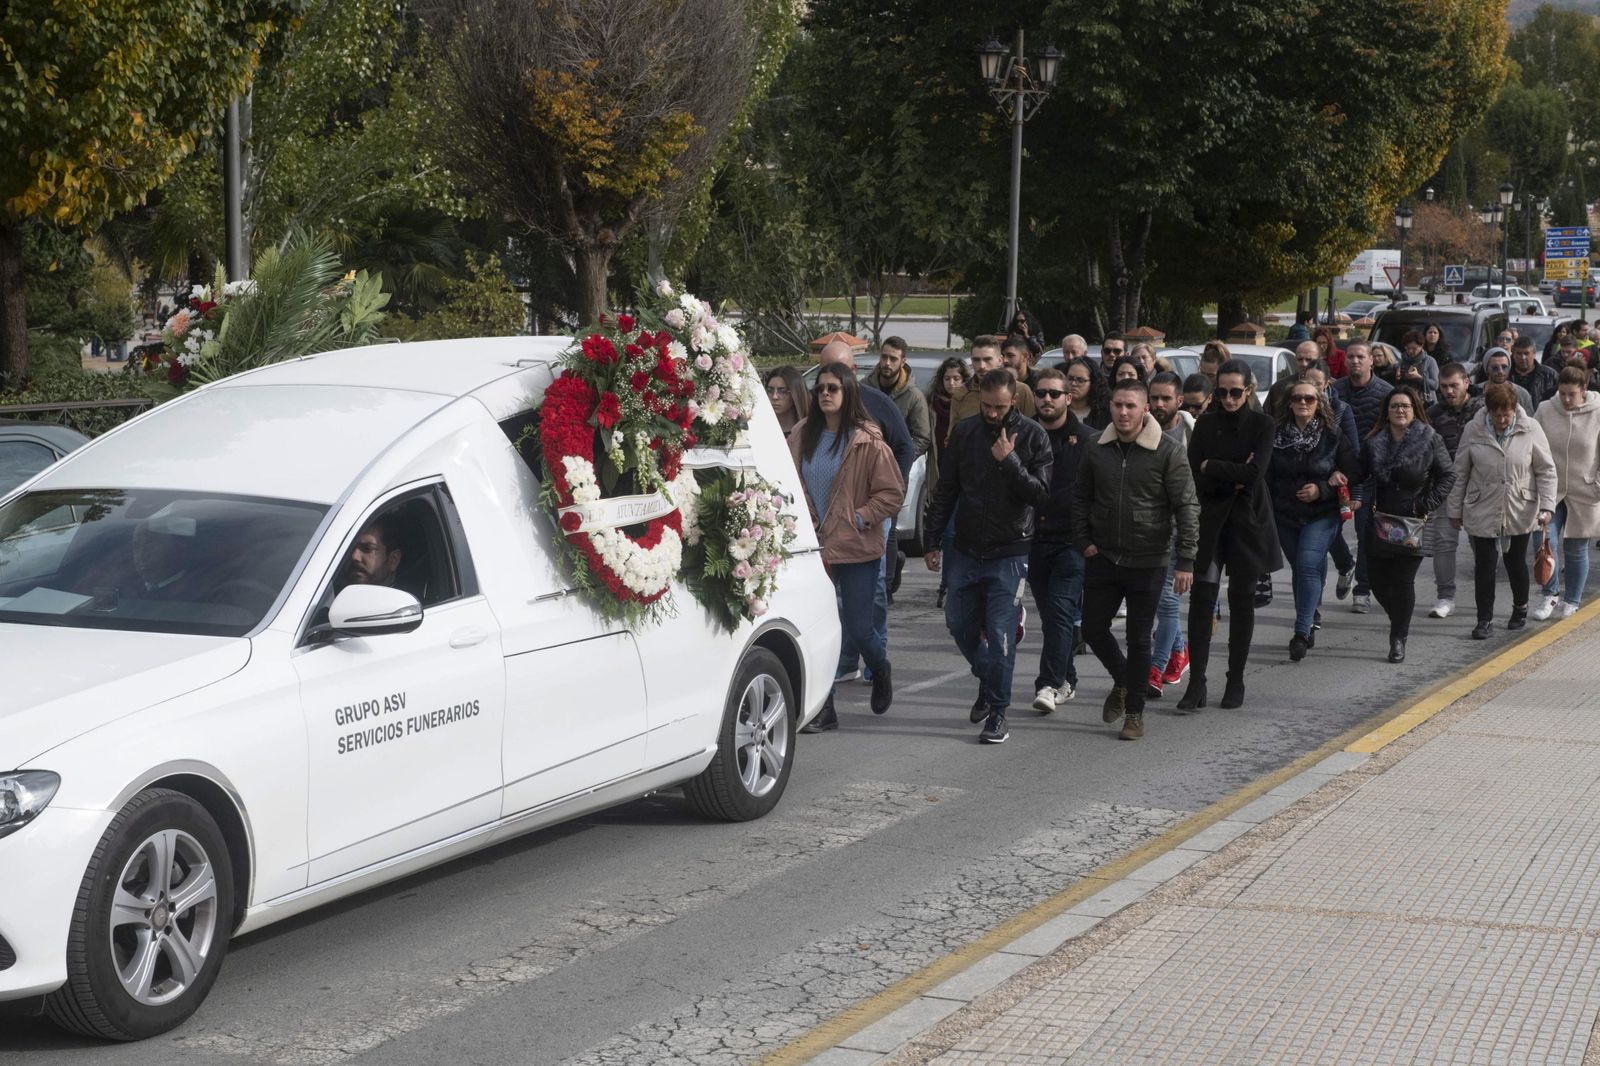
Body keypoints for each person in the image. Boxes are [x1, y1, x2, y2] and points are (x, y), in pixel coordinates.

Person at [924, 367, 1053, 744]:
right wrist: (932, 539)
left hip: (1010, 552)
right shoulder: (964, 433)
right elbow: (946, 490)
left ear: (1013, 399)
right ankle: (988, 678)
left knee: (998, 636)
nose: (992, 413)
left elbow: (1042, 496)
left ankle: (998, 712)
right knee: (958, 623)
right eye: (986, 405)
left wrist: (1010, 461)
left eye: (999, 407)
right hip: (965, 548)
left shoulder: (1033, 435)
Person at [1070, 379, 1199, 741]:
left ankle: (1135, 713)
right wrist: (1084, 540)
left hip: (1149, 558)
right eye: (1118, 405)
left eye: (1131, 406)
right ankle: (1125, 679)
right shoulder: (1095, 447)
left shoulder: (1168, 450)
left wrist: (1186, 559)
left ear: (1145, 409)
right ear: (1110, 406)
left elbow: (1187, 505)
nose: (1123, 412)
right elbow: (1080, 497)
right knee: (1093, 629)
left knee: (1139, 637)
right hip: (1103, 555)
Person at [792, 364, 903, 732]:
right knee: (818, 630)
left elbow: (892, 493)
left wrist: (860, 517)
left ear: (848, 393)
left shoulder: (867, 441)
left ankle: (879, 664)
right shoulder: (801, 435)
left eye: (833, 388)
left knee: (858, 628)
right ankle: (826, 707)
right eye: (820, 388)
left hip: (855, 547)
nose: (825, 394)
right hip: (814, 549)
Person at [1180, 358, 1282, 710]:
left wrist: (1216, 467)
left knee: (1242, 602)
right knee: (1202, 601)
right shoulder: (1206, 425)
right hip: (1210, 521)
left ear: (1248, 390)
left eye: (1235, 392)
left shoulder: (1262, 424)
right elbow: (1195, 473)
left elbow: (1255, 474)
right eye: (1222, 392)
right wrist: (1229, 473)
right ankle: (1196, 683)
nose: (1228, 398)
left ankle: (1235, 679)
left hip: (1248, 522)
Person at [818, 338, 913, 684]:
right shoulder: (813, 417)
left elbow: (904, 447)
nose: (829, 383)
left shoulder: (877, 406)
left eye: (838, 373)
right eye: (824, 373)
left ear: (853, 373)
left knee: (870, 595)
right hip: (826, 524)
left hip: (867, 520)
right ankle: (842, 662)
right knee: (830, 598)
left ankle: (876, 661)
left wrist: (874, 508)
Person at [1447, 382, 1556, 639]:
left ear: (1514, 409)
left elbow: (1546, 470)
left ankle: (1520, 607)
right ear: (1488, 410)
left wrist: (1547, 506)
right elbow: (1460, 472)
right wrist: (1455, 510)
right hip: (1481, 504)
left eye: (1506, 413)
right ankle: (1484, 619)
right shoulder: (1473, 430)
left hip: (1519, 505)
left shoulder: (1530, 428)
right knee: (1484, 564)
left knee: (1515, 562)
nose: (1502, 419)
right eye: (1497, 414)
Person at [1362, 386, 1454, 662]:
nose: (1399, 410)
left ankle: (1398, 637)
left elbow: (1447, 476)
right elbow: (1357, 472)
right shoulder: (1373, 441)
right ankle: (1399, 619)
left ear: (1414, 411)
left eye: (1405, 406)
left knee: (1402, 582)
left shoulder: (1430, 439)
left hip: (1411, 522)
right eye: (1394, 406)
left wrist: (1424, 503)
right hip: (1378, 520)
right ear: (1386, 412)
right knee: (1377, 583)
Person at [1272, 380, 1358, 660]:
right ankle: (1309, 614)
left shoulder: (1332, 435)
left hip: (1322, 513)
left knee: (1308, 565)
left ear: (1319, 403)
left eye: (1309, 398)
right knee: (1302, 568)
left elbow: (1354, 470)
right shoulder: (1275, 435)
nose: (1303, 403)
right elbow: (1265, 475)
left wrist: (1324, 487)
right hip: (1285, 514)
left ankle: (1301, 630)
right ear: (1289, 402)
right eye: (1297, 398)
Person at [1028, 367, 1089, 712]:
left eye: (1054, 393)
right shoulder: (1024, 435)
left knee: (1061, 611)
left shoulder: (1088, 441)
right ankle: (1067, 679)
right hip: (1034, 540)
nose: (1047, 399)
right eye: (1041, 393)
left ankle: (1048, 684)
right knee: (1052, 615)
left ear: (1069, 397)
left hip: (1072, 542)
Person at [1531, 367, 1600, 620]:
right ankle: (1549, 594)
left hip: (1585, 490)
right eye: (1562, 393)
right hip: (1551, 489)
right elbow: (1533, 446)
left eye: (1572, 394)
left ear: (1584, 390)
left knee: (1576, 548)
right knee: (1542, 541)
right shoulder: (1546, 410)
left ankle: (1572, 599)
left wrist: (1598, 484)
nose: (1566, 399)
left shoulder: (1598, 411)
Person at [1333, 340, 1394, 613]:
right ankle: (1345, 562)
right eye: (1351, 357)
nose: (1355, 361)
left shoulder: (1386, 393)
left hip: (1369, 475)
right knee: (1329, 529)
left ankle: (1363, 588)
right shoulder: (1335, 391)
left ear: (1372, 360)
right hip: (1337, 473)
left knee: (1365, 531)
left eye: (1361, 357)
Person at [1145, 371, 1194, 696]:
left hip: (1179, 531)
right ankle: (1179, 648)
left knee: (1166, 602)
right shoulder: (1137, 430)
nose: (1159, 404)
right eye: (1154, 398)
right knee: (1156, 603)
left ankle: (1155, 667)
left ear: (1179, 401)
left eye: (1166, 398)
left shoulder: (1193, 434)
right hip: (1145, 531)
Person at [1423, 363, 1483, 619]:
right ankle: (1445, 597)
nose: (1448, 391)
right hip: (1445, 486)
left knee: (1481, 544)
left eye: (1453, 385)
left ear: (1466, 383)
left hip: (1478, 487)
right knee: (1444, 544)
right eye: (1444, 386)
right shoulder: (1433, 413)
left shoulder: (1482, 410)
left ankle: (1484, 595)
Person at [948, 335, 1037, 436]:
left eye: (987, 359)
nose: (981, 366)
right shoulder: (961, 393)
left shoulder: (1021, 390)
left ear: (1000, 360)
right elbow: (952, 437)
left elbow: (1032, 434)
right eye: (976, 360)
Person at [867, 336, 933, 458]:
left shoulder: (914, 396)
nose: (887, 363)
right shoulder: (864, 387)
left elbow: (922, 438)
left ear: (903, 362)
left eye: (893, 359)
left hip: (894, 469)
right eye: (884, 357)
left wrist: (899, 460)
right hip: (863, 463)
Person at [339, 515, 402, 589]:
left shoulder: (404, 600)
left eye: (367, 548)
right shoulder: (327, 594)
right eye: (350, 548)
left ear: (393, 560)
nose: (355, 556)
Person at [1509, 335, 1559, 410]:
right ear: (1513, 354)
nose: (1523, 358)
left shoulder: (1550, 375)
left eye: (1526, 353)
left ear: (1534, 353)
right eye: (1519, 353)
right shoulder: (1506, 375)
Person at [1479, 348, 1535, 414]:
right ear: (1486, 369)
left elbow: (1529, 422)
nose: (1500, 371)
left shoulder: (1522, 394)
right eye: (1495, 368)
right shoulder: (1476, 392)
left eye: (1504, 367)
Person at [1395, 330, 1440, 405]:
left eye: (1414, 348)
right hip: (1407, 401)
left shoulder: (1430, 361)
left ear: (1421, 346)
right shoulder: (1402, 361)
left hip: (1426, 403)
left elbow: (1435, 385)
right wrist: (1398, 374)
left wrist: (1418, 377)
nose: (1410, 351)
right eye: (1407, 348)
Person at [765, 366, 809, 434]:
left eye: (782, 391)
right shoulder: (762, 425)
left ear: (796, 393)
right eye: (770, 390)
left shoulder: (809, 427)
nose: (774, 397)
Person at [1064, 356, 1107, 427]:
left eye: (1080, 380)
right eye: (1070, 378)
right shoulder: (1057, 409)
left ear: (1093, 382)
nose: (1074, 383)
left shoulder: (1104, 414)